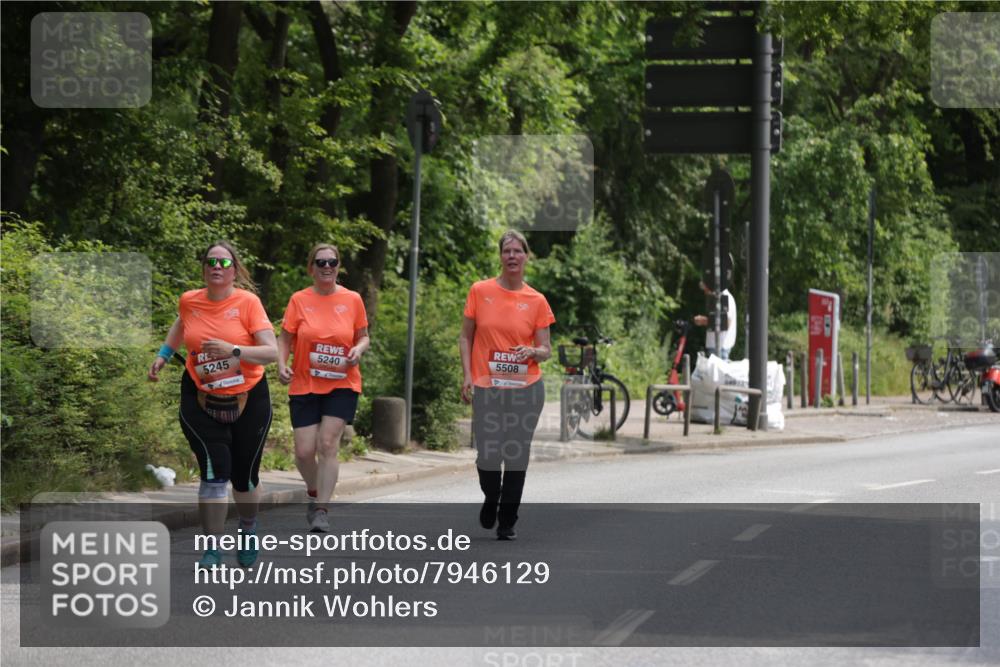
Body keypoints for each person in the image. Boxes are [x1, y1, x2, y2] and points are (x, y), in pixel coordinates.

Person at [148, 241, 277, 567]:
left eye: (224, 262)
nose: (216, 267)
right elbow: (181, 323)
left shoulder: (248, 303)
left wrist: (233, 350)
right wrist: (163, 355)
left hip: (250, 397)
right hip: (200, 397)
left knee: (244, 477)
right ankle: (212, 548)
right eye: (210, 262)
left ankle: (248, 529)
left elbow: (271, 353)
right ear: (204, 268)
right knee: (214, 470)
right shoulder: (190, 300)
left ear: (235, 270)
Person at [459, 230, 554, 541]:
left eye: (518, 251)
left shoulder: (536, 300)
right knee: (487, 454)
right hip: (488, 387)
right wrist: (467, 376)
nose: (512, 256)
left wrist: (533, 351)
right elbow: (466, 337)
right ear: (500, 257)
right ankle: (492, 496)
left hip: (526, 388)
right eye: (506, 251)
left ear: (526, 257)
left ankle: (508, 519)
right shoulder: (480, 291)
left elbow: (546, 350)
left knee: (516, 452)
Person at [277, 244, 369, 533]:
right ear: (311, 267)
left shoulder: (352, 299)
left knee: (328, 444)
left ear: (339, 267)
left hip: (342, 382)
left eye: (332, 262)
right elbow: (284, 338)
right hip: (305, 382)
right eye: (321, 262)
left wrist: (358, 349)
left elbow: (364, 337)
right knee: (304, 452)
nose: (327, 266)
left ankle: (322, 511)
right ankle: (314, 491)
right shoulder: (299, 300)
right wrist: (281, 364)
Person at [693, 281, 737, 360]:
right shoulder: (717, 298)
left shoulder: (725, 297)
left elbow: (726, 323)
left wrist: (704, 321)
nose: (705, 292)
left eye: (706, 289)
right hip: (716, 346)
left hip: (721, 347)